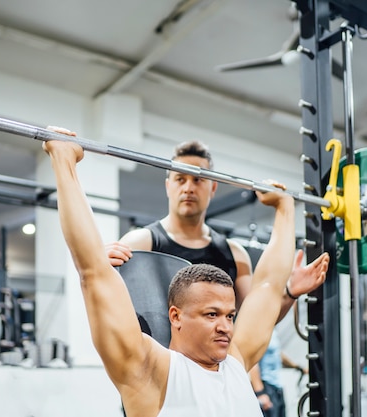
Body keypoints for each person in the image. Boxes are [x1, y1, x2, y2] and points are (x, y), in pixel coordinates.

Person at [42, 131, 329, 417]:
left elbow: (267, 288)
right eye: (211, 315)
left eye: (229, 316)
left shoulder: (235, 360)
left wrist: (285, 208)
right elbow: (93, 272)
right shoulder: (152, 373)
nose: (226, 326)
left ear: (212, 187)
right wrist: (63, 160)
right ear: (175, 315)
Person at [106, 140, 328, 318]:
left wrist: (289, 292)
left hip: (216, 370)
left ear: (213, 187)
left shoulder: (234, 254)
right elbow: (111, 307)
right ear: (168, 186)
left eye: (197, 179)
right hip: (163, 369)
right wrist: (100, 266)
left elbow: (258, 318)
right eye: (180, 179)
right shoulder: (141, 242)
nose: (189, 188)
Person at [250, 329, 307, 417]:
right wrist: (260, 394)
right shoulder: (259, 331)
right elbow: (252, 362)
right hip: (266, 387)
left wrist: (298, 367)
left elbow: (278, 354)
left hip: (277, 387)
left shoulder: (273, 331)